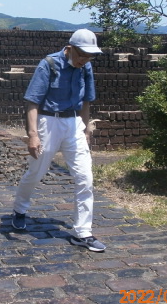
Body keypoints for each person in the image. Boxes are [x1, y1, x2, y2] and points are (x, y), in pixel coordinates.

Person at [11, 29, 106, 252]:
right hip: (48, 121)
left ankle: (83, 232)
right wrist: (33, 135)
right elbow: (33, 102)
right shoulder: (49, 64)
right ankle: (19, 209)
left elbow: (86, 101)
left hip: (73, 123)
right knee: (36, 172)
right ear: (70, 48)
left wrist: (86, 129)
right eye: (81, 55)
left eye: (89, 56)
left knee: (85, 177)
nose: (84, 60)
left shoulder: (86, 67)